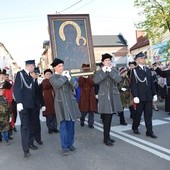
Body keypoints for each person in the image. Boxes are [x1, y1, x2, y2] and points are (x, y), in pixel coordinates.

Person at [49, 58, 81, 155]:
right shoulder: (52, 77)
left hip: (70, 102)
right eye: (59, 66)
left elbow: (76, 86)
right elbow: (57, 85)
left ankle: (71, 144)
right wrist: (64, 77)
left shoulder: (67, 75)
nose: (61, 67)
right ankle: (64, 147)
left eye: (62, 65)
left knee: (71, 125)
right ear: (54, 67)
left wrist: (70, 78)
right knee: (63, 126)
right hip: (60, 104)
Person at [93, 53, 123, 146]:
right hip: (104, 96)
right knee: (107, 118)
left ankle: (107, 137)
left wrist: (109, 71)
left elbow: (118, 80)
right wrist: (104, 72)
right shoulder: (99, 71)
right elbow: (96, 81)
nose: (108, 62)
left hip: (113, 96)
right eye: (106, 60)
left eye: (109, 60)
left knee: (110, 118)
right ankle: (106, 138)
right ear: (102, 62)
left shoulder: (114, 70)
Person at [131, 52, 157, 138]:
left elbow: (151, 83)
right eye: (142, 58)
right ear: (137, 60)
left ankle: (149, 131)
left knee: (148, 115)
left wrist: (154, 94)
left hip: (148, 96)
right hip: (140, 97)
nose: (143, 59)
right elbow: (133, 84)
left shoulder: (148, 70)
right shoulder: (134, 71)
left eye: (144, 58)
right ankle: (135, 127)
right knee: (138, 114)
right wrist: (135, 96)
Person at [13, 60, 37, 158]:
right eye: (33, 66)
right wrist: (18, 102)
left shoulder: (30, 76)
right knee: (25, 126)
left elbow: (32, 90)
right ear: (29, 66)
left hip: (31, 105)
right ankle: (26, 149)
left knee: (32, 125)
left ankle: (31, 143)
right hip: (23, 105)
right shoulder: (20, 74)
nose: (34, 68)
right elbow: (17, 88)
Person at [78, 64, 97, 128]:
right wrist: (83, 77)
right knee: (83, 111)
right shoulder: (80, 76)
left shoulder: (91, 75)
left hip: (91, 95)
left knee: (91, 111)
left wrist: (88, 78)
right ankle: (82, 120)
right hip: (84, 95)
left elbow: (93, 83)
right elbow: (79, 84)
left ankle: (91, 124)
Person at [30, 67, 46, 145]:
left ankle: (38, 139)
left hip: (36, 105)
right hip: (29, 106)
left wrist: (43, 104)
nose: (37, 76)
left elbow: (40, 94)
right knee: (31, 124)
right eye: (36, 74)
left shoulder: (38, 81)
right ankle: (31, 141)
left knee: (37, 123)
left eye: (38, 74)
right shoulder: (28, 81)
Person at [42, 69, 59, 134]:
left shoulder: (53, 81)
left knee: (55, 116)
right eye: (47, 74)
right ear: (45, 76)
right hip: (47, 102)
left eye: (50, 74)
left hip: (54, 101)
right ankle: (50, 128)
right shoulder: (44, 81)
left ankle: (55, 128)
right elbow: (46, 86)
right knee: (49, 116)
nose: (49, 75)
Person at [0, 69, 12, 145]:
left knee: (6, 123)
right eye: (0, 76)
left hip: (6, 103)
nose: (1, 77)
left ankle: (7, 136)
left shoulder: (6, 83)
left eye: (3, 76)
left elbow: (10, 89)